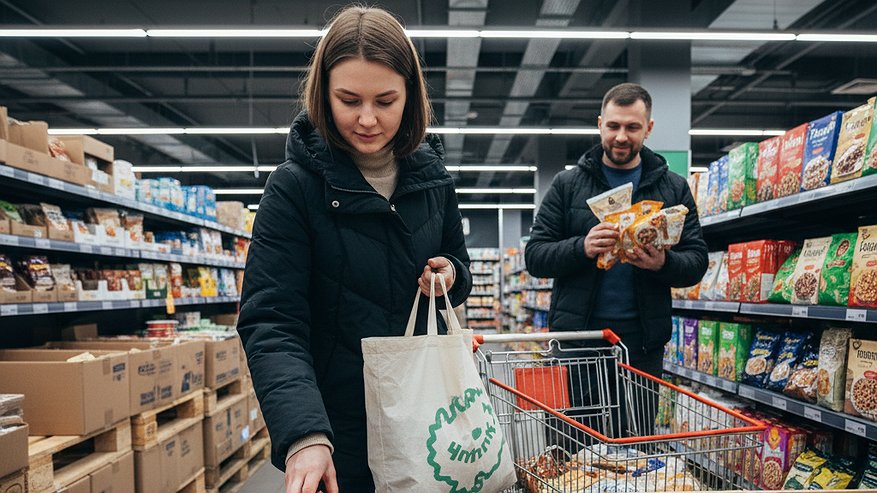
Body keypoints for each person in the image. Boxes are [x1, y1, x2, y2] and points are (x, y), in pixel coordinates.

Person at [236, 6, 472, 493]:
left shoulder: (433, 181)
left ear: (411, 97)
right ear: (324, 94)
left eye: (386, 100)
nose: (367, 119)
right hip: (336, 427)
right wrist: (304, 432)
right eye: (349, 100)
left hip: (424, 420)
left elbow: (458, 262)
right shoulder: (293, 189)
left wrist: (449, 274)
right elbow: (272, 320)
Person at [524, 82, 708, 440]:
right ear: (600, 125)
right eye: (613, 126)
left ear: (648, 128)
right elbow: (536, 256)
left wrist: (663, 265)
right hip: (579, 340)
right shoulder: (567, 185)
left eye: (632, 127)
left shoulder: (673, 188)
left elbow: (697, 259)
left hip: (641, 344)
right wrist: (582, 247)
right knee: (572, 443)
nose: (621, 137)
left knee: (636, 445)